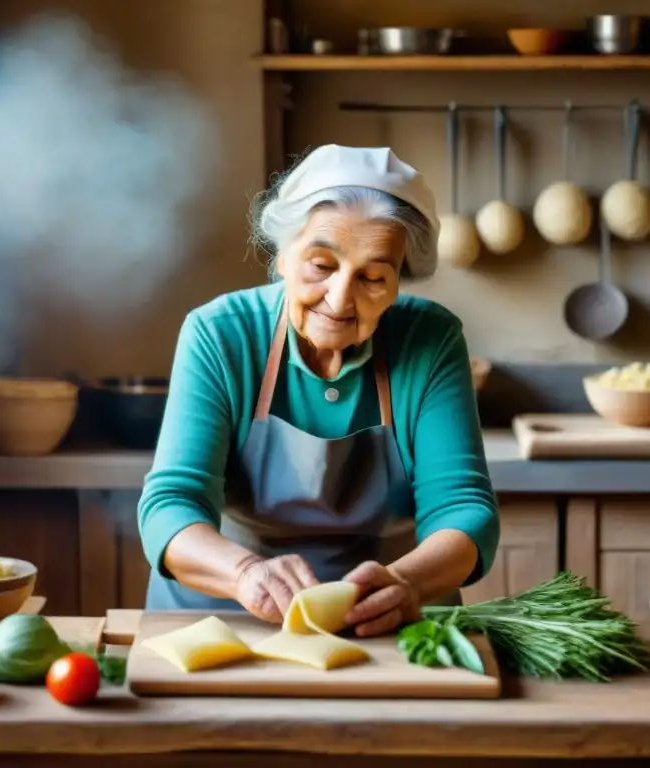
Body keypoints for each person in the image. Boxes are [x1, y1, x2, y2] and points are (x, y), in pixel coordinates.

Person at [137, 144, 499, 638]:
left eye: (373, 277)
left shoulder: (429, 340)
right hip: (225, 620)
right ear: (283, 256)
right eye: (321, 266)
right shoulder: (220, 334)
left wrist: (407, 583)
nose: (340, 298)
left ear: (397, 283)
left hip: (384, 622)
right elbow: (170, 504)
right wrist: (244, 574)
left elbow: (463, 507)